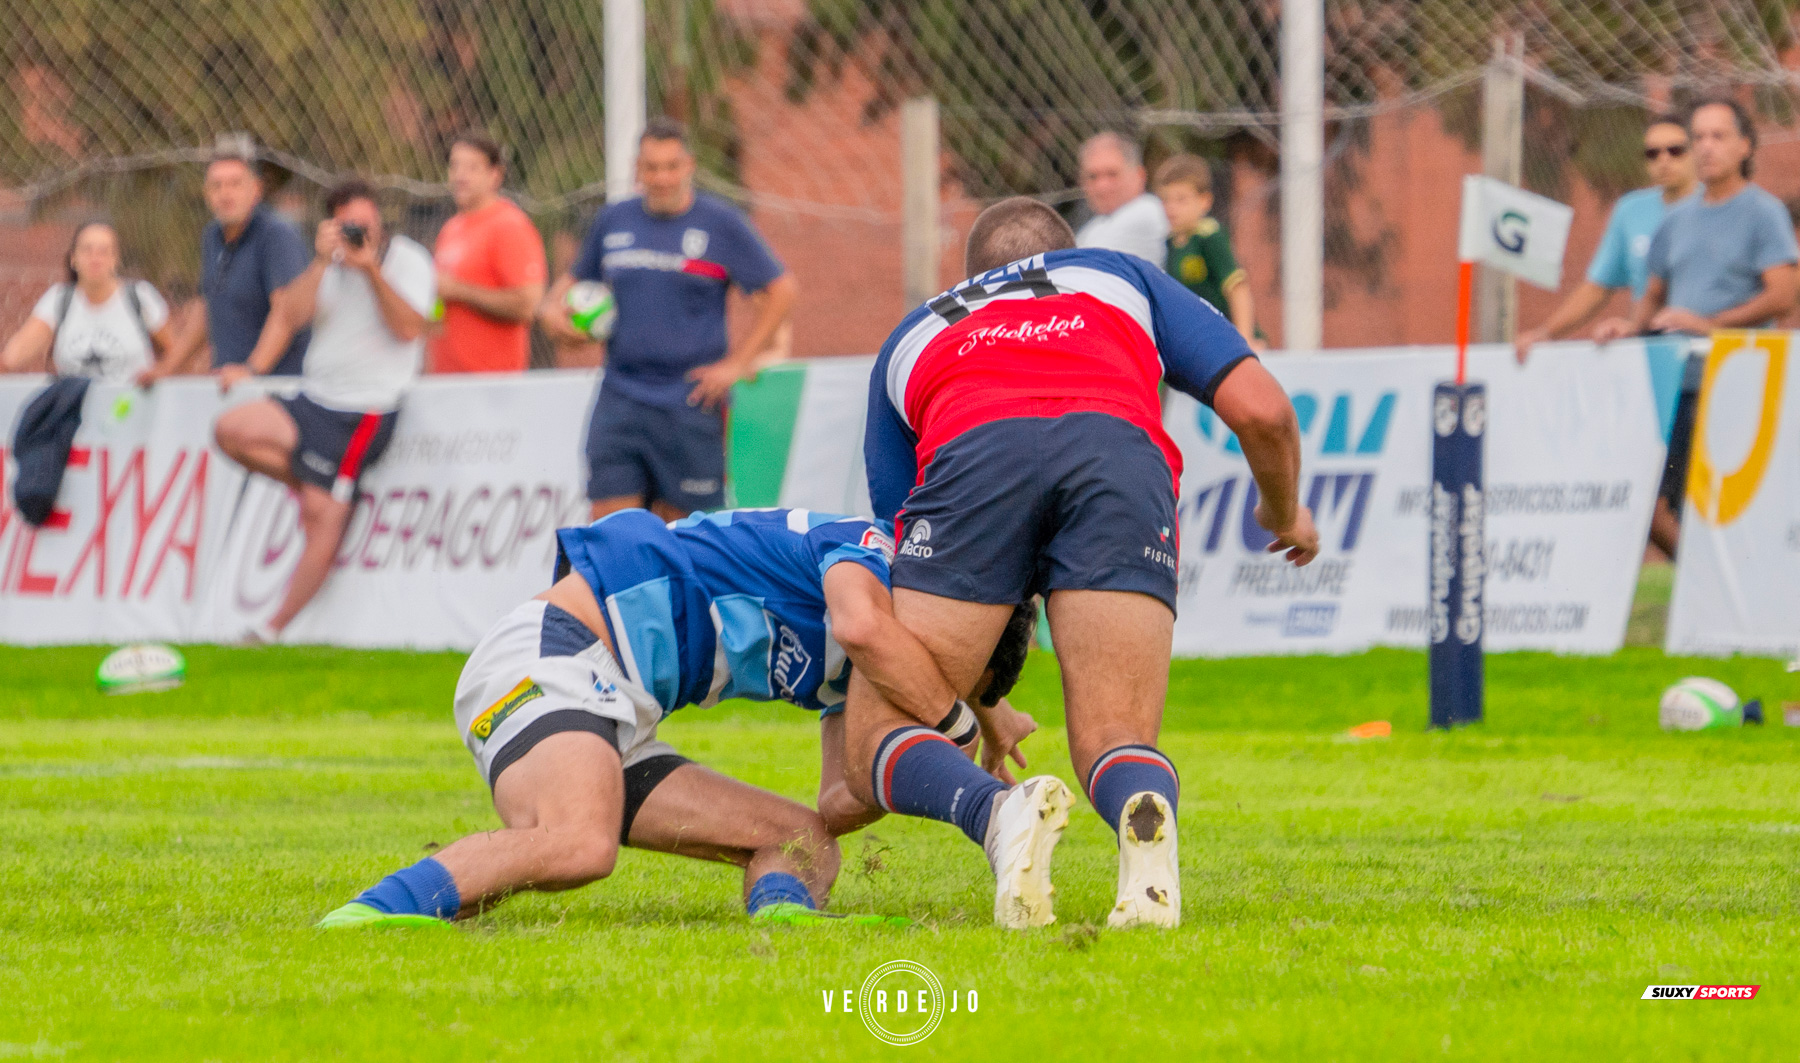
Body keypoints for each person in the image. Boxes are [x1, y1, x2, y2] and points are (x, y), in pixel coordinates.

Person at [858, 198, 1315, 930]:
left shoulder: (914, 331)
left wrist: (978, 705)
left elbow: (893, 552)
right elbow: (1263, 412)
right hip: (1117, 457)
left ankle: (998, 810)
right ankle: (1144, 840)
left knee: (879, 729)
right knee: (1113, 738)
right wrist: (1283, 510)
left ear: (971, 276)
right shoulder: (1120, 275)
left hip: (974, 454)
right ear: (1064, 251)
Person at [316, 507, 1039, 929]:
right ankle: (372, 916)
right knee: (579, 843)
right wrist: (962, 721)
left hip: (614, 706)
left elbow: (841, 795)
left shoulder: (872, 672)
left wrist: (941, 735)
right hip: (554, 655)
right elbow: (863, 625)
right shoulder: (870, 549)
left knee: (805, 839)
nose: (920, 691)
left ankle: (786, 930)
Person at [540, 117, 798, 521]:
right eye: (651, 167)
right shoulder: (614, 220)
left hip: (690, 400)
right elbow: (568, 286)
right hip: (620, 394)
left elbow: (782, 289)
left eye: (671, 166)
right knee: (612, 528)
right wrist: (552, 314)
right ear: (636, 169)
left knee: (678, 534)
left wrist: (738, 364)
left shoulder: (720, 224)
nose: (661, 177)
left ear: (689, 166)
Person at [212, 179, 435, 642]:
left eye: (364, 222)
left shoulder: (407, 260)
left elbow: (411, 328)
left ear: (380, 220)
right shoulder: (327, 264)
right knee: (231, 429)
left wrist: (370, 269)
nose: (357, 232)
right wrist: (319, 261)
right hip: (314, 397)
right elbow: (291, 316)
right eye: (347, 224)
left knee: (323, 518)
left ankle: (273, 629)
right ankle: (323, 484)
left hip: (364, 409)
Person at [1594, 99, 1798, 555]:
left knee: (1724, 506)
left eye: (1718, 136)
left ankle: (1724, 596)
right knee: (1646, 495)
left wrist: (1707, 324)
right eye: (1698, 137)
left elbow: (1784, 296)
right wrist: (1627, 328)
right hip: (1674, 382)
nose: (1706, 147)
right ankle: (1696, 583)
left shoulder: (1763, 213)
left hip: (1735, 381)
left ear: (1745, 146)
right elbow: (1653, 295)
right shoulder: (1678, 219)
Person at [1515, 114, 1697, 364]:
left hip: (1706, 345)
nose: (1664, 160)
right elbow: (1598, 286)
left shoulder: (1720, 206)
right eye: (1652, 153)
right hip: (1650, 352)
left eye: (1676, 151)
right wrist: (1546, 333)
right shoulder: (1631, 210)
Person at [141, 147, 311, 385]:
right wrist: (167, 368)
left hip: (275, 389)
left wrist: (251, 370)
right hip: (229, 384)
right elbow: (206, 309)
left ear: (256, 190)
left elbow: (286, 313)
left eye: (235, 184)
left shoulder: (276, 236)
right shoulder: (212, 236)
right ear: (206, 193)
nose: (225, 193)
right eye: (217, 185)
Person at [430, 132, 547, 374]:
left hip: (492, 383)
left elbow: (529, 305)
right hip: (446, 380)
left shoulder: (509, 225)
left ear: (495, 175)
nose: (460, 176)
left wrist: (459, 290)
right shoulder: (451, 228)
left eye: (472, 168)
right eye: (455, 166)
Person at [2, 222, 174, 380]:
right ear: (73, 258)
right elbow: (14, 356)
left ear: (116, 259)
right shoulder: (59, 300)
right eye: (87, 250)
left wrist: (156, 374)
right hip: (74, 409)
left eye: (103, 251)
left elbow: (174, 353)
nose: (95, 258)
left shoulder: (140, 296)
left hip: (129, 409)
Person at [1154, 153, 1265, 352]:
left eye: (1181, 200)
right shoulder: (1170, 242)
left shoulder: (1209, 237)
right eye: (1166, 200)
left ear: (1205, 201)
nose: (1172, 208)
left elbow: (1237, 288)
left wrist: (1245, 339)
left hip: (1230, 342)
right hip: (1204, 342)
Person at [1073, 131, 1168, 266]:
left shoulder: (1146, 211)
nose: (1102, 186)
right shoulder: (1093, 228)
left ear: (1139, 175)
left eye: (1112, 174)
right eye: (1092, 176)